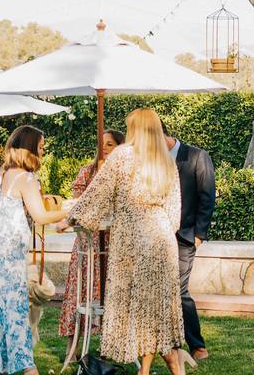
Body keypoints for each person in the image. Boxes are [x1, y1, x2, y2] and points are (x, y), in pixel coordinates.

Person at [68, 108, 189, 375]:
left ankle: (148, 370)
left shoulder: (122, 156)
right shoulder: (166, 161)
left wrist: (72, 217)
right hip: (162, 239)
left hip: (132, 239)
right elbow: (175, 214)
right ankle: (147, 370)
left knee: (139, 308)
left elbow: (97, 193)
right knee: (156, 310)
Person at [0, 126, 68, 375]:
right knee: (15, 311)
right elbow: (41, 216)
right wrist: (71, 210)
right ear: (30, 147)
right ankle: (26, 366)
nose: (43, 151)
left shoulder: (8, 173)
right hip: (10, 255)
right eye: (41, 146)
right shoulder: (26, 178)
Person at [58, 129, 124, 339]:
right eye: (101, 143)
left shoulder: (125, 174)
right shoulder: (88, 172)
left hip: (115, 242)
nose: (104, 147)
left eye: (110, 144)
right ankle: (74, 343)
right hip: (89, 243)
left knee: (113, 293)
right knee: (80, 291)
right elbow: (77, 205)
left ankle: (112, 344)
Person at [163, 123, 216, 362]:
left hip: (185, 235)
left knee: (179, 290)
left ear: (164, 135)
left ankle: (197, 345)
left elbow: (207, 195)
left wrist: (199, 234)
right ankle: (169, 344)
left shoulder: (196, 156)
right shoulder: (151, 161)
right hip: (158, 235)